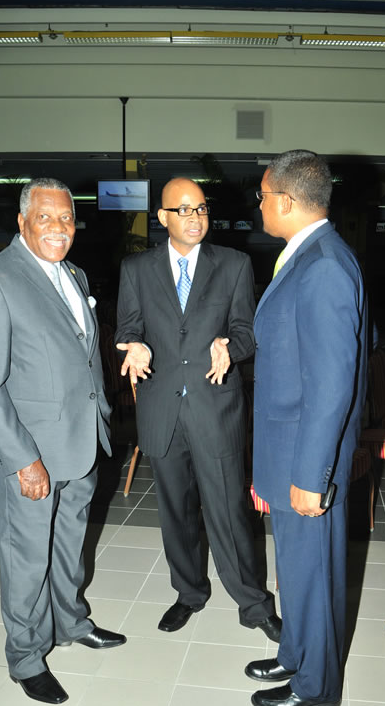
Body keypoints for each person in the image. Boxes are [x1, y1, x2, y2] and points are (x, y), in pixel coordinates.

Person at [0, 177, 126, 705]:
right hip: (32, 452)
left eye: (67, 219)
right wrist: (23, 459)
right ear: (22, 222)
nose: (59, 229)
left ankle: (72, 622)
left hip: (81, 440)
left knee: (69, 546)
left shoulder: (72, 273)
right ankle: (26, 656)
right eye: (46, 219)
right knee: (27, 556)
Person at [115, 177, 280, 641]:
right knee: (176, 512)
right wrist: (134, 347)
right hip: (161, 409)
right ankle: (189, 593)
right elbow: (126, 329)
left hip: (215, 407)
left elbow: (247, 332)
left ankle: (253, 603)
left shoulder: (233, 264)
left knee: (229, 511)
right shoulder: (137, 269)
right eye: (183, 210)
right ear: (163, 217)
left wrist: (232, 346)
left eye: (202, 208)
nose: (195, 217)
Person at [246, 151, 368, 706]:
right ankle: (295, 652)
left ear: (287, 202)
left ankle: (315, 684)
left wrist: (311, 477)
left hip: (306, 458)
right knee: (295, 568)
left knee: (313, 573)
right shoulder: (306, 257)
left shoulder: (323, 267)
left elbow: (330, 387)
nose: (260, 204)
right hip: (287, 450)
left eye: (263, 195)